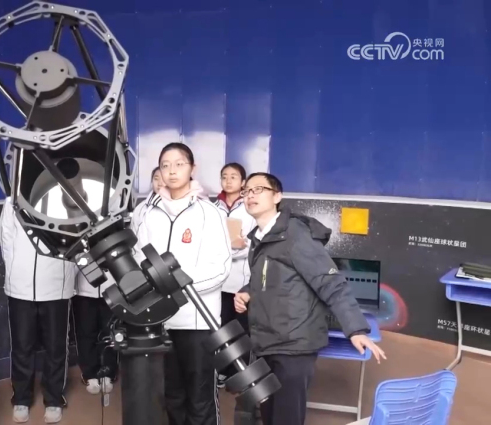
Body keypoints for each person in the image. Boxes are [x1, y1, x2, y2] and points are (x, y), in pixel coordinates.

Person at [234, 172, 386, 425]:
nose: (251, 195)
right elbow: (269, 276)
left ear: (277, 196)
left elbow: (331, 282)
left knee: (286, 418)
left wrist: (356, 329)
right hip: (267, 341)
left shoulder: (295, 235)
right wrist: (248, 290)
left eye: (258, 189)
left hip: (293, 345)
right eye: (246, 191)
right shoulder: (259, 238)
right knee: (269, 414)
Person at [131, 143, 232, 425]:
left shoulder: (209, 213)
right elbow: (137, 257)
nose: (172, 171)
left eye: (179, 164)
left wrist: (174, 286)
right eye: (165, 165)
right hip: (159, 322)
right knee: (170, 394)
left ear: (192, 168)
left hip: (197, 322)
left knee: (200, 396)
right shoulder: (147, 213)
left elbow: (220, 267)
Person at [0, 196, 77, 424]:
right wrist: (16, 267)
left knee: (56, 346)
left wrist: (65, 270)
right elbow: (6, 239)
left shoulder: (68, 198)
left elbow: (75, 239)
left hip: (56, 285)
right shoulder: (12, 200)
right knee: (22, 346)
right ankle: (21, 398)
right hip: (20, 287)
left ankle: (54, 399)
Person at [213, 163, 256, 389]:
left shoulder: (249, 207)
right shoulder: (213, 208)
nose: (228, 181)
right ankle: (221, 371)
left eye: (233, 177)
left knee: (240, 330)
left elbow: (252, 245)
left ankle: (238, 373)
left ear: (243, 182)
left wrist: (232, 248)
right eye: (224, 176)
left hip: (241, 283)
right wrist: (231, 247)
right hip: (217, 282)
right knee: (221, 329)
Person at [72, 269, 118, 395]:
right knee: (86, 333)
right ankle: (89, 374)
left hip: (111, 288)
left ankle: (108, 372)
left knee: (109, 333)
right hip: (84, 290)